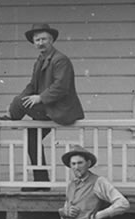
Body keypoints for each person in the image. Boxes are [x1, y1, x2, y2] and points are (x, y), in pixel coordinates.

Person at [6, 23, 84, 184]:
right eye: (37, 40)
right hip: (49, 108)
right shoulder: (40, 60)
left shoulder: (60, 60)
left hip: (60, 108)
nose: (40, 43)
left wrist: (39, 98)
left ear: (52, 40)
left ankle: (13, 118)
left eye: (44, 39)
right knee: (32, 137)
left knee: (18, 104)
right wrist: (19, 103)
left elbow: (61, 86)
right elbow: (32, 86)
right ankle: (41, 181)